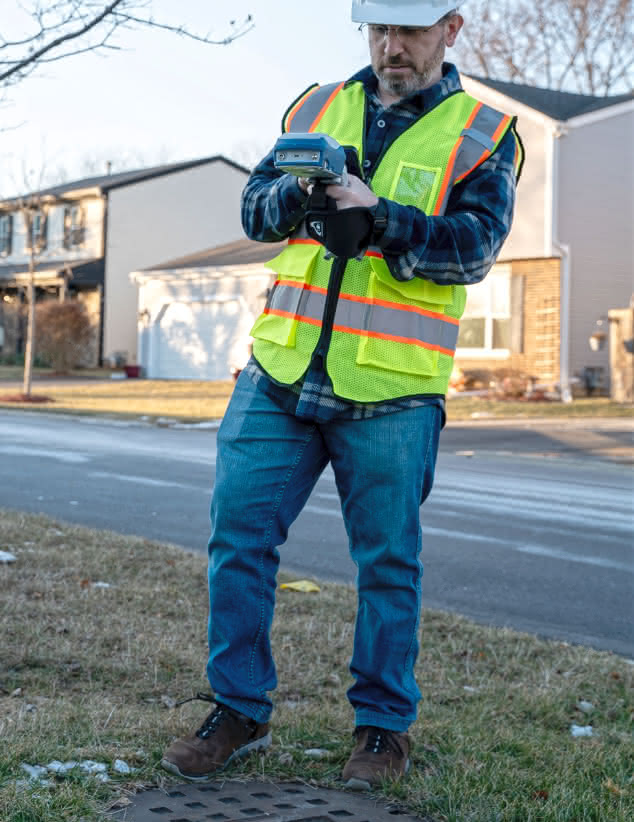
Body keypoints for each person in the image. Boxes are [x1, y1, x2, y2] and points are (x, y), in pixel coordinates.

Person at [162, 0, 522, 790]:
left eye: (411, 32)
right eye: (378, 31)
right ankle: (239, 708)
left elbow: (474, 251)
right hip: (280, 372)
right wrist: (301, 199)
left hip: (392, 390)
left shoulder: (485, 133)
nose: (392, 48)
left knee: (389, 564)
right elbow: (254, 209)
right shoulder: (316, 105)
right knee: (238, 541)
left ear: (452, 29)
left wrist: (383, 218)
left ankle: (383, 729)